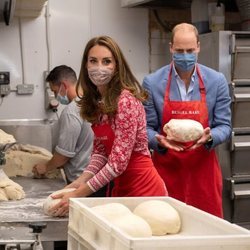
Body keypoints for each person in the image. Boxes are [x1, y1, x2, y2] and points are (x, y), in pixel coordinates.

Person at [50, 36, 167, 216]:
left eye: (106, 61)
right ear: (86, 65)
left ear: (116, 66)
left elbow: (118, 163)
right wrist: (78, 182)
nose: (99, 68)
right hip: (120, 189)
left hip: (144, 190)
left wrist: (79, 194)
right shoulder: (98, 103)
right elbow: (100, 152)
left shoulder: (125, 101)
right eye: (93, 61)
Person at [142, 23, 231, 218]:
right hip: (166, 171)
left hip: (203, 173)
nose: (185, 56)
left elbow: (224, 125)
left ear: (198, 46)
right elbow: (146, 128)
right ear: (171, 47)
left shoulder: (216, 81)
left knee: (206, 235)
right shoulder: (153, 82)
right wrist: (158, 140)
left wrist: (210, 137)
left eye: (190, 50)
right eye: (180, 50)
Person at [32, 65, 94, 186]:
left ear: (64, 86)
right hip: (95, 178)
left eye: (55, 91)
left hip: (80, 181)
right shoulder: (90, 102)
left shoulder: (71, 111)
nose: (56, 96)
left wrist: (45, 167)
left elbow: (64, 155)